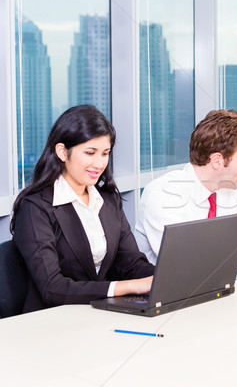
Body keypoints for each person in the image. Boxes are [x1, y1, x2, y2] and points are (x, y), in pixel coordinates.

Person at [11, 105, 155, 313]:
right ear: (62, 152)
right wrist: (126, 287)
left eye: (105, 153)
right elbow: (52, 287)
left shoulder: (107, 199)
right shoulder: (35, 208)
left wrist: (164, 279)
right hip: (51, 320)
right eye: (90, 152)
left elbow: (130, 262)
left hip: (98, 313)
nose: (99, 163)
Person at [135, 109, 237, 271]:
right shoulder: (163, 195)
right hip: (171, 293)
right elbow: (193, 262)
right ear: (217, 160)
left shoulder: (229, 187)